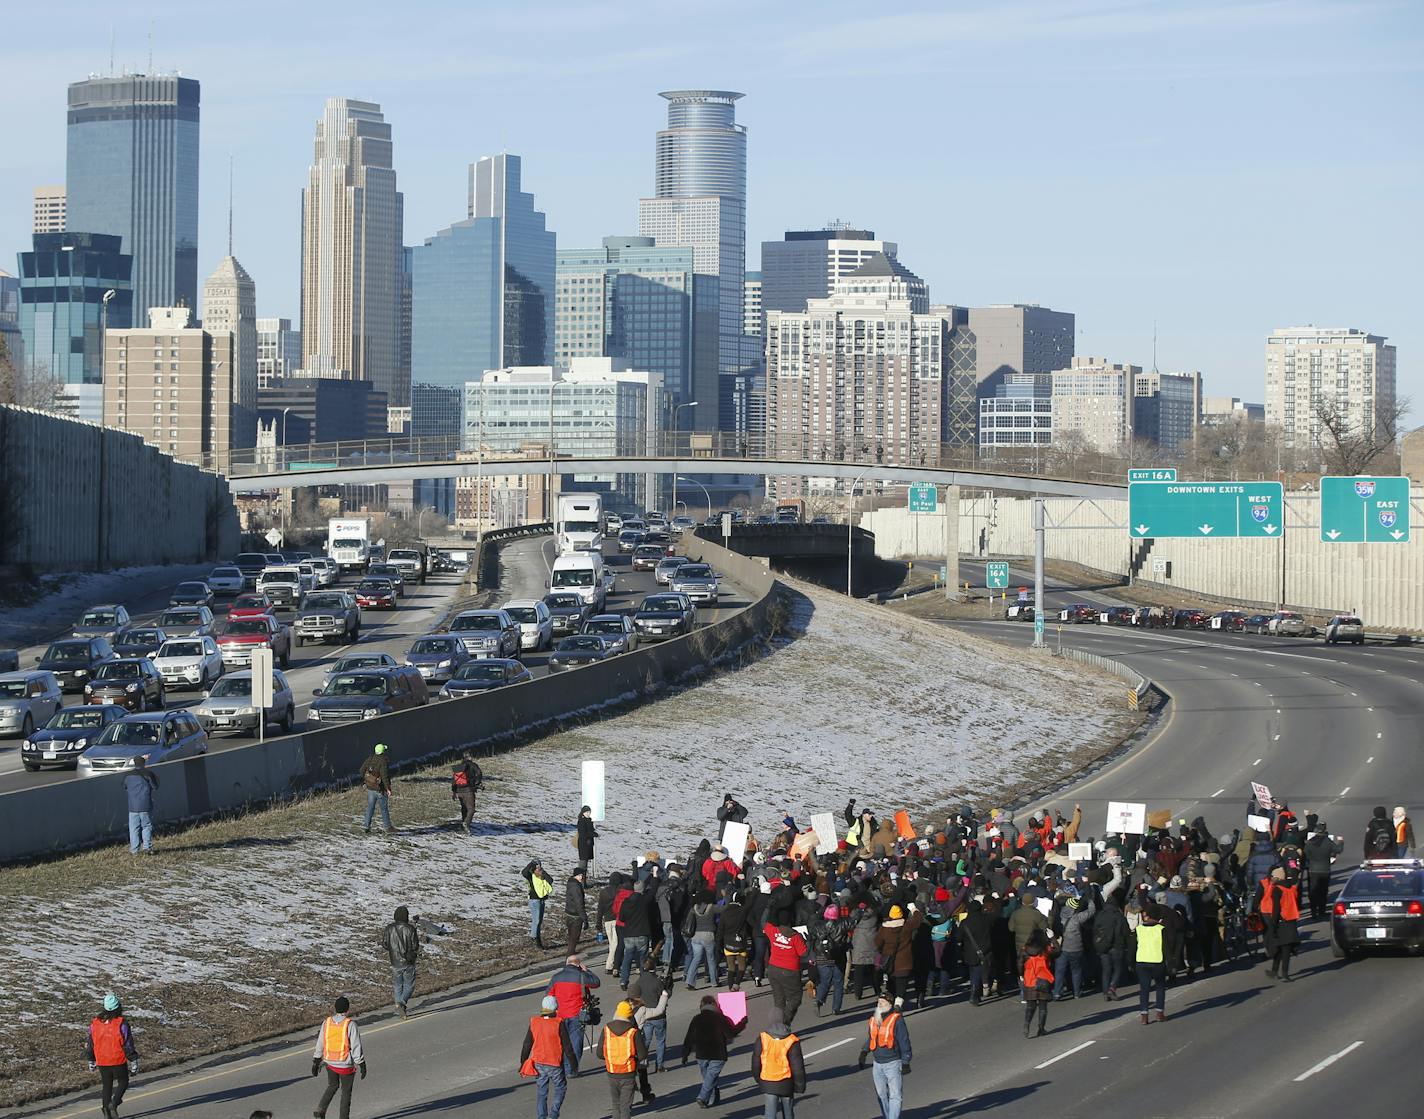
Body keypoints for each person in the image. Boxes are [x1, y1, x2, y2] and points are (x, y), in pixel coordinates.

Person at [520, 994, 575, 1119]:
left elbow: (527, 1043)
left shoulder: (534, 1022)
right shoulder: (558, 1023)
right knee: (560, 1088)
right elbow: (567, 1046)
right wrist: (574, 1064)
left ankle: (541, 1117)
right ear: (555, 1009)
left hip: (538, 1063)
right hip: (554, 1063)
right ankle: (554, 1114)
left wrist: (523, 1061)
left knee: (541, 1092)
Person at [311, 996, 366, 1119]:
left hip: (330, 1062)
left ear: (335, 1008)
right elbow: (356, 1046)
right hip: (345, 1064)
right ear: (347, 1009)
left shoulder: (327, 1022)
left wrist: (316, 1059)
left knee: (332, 1085)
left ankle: (320, 1109)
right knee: (346, 1093)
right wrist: (361, 1063)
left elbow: (321, 1042)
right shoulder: (350, 1024)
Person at [681, 994, 740, 1108]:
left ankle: (709, 1098)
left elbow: (689, 1038)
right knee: (710, 1077)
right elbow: (730, 1034)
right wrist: (742, 1023)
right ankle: (704, 1097)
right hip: (717, 1054)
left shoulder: (696, 1018)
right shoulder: (720, 1018)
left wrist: (685, 1054)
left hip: (702, 1054)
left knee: (708, 1077)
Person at [858, 996, 911, 1119]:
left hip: (893, 1063)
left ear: (890, 1004)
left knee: (895, 1095)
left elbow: (904, 1042)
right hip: (877, 1065)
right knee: (881, 1094)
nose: (880, 1004)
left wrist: (906, 1061)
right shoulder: (875, 1019)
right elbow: (872, 1038)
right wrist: (864, 1052)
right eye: (878, 1002)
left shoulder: (897, 1020)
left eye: (883, 1002)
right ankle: (888, 1116)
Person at [546, 954, 599, 1076]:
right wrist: (587, 970)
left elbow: (548, 996)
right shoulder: (581, 976)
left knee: (562, 1043)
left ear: (566, 964)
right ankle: (571, 1070)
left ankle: (560, 1068)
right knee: (575, 1043)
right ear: (578, 964)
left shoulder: (556, 977)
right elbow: (596, 982)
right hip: (577, 1015)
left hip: (560, 1015)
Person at [86, 992, 137, 1119]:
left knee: (107, 1085)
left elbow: (90, 1043)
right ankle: (114, 1104)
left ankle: (106, 1112)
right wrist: (133, 1059)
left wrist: (91, 1060)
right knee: (123, 1082)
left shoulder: (95, 1024)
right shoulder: (122, 1023)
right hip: (117, 1059)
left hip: (102, 1060)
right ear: (118, 1007)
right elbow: (128, 1043)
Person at [594, 1000, 648, 1119]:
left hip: (612, 1072)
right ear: (630, 1015)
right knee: (625, 1106)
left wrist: (612, 1057)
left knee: (616, 1104)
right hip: (628, 1073)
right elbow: (643, 1055)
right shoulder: (633, 1032)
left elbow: (599, 1054)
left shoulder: (607, 1029)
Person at [752, 1008, 806, 1119]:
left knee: (770, 1115)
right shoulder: (791, 1040)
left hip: (768, 1082)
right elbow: (797, 1068)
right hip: (786, 1083)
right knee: (788, 1114)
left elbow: (756, 1063)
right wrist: (800, 1086)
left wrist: (759, 1079)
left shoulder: (762, 1038)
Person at [1255, 866, 1300, 981]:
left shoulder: (1277, 890)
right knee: (1283, 948)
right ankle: (1275, 971)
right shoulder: (1292, 888)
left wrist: (1273, 925)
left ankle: (1284, 973)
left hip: (1281, 920)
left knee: (1283, 948)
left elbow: (1276, 909)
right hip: (1292, 919)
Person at [764, 919, 809, 1025]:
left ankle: (777, 1025)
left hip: (773, 968)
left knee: (779, 1001)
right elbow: (803, 953)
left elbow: (764, 922)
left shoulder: (773, 930)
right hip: (790, 970)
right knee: (795, 998)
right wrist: (808, 941)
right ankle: (784, 1023)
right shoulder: (795, 936)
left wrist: (770, 908)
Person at [380, 905, 420, 1018]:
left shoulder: (389, 928)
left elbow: (385, 944)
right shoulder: (410, 929)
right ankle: (402, 1003)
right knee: (409, 986)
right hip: (408, 962)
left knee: (398, 986)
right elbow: (415, 946)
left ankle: (399, 1006)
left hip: (395, 961)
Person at [635, 957, 671, 1073]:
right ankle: (659, 1065)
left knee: (645, 1041)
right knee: (660, 1040)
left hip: (646, 1015)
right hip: (659, 1015)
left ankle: (642, 1063)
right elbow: (664, 995)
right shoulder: (657, 982)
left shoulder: (639, 982)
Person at [1092, 894, 1130, 1001]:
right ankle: (1112, 988)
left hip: (1103, 946)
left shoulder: (1100, 915)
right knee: (1118, 968)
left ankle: (1105, 993)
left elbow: (1095, 930)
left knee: (1106, 969)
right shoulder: (1119, 916)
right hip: (1117, 946)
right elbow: (1125, 931)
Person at [1135, 904, 1168, 1023]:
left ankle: (1144, 1016)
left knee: (1144, 989)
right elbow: (1166, 948)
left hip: (1141, 961)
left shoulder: (1139, 929)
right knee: (1160, 987)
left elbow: (1134, 946)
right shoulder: (1161, 929)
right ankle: (1159, 1013)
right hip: (1157, 961)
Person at [1303, 821, 1343, 920]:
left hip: (1312, 870)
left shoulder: (1310, 842)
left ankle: (1313, 912)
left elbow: (1306, 854)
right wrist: (1341, 841)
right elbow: (1338, 850)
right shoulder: (1327, 841)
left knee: (1313, 891)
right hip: (1325, 869)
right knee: (1323, 891)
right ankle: (1322, 911)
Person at [121, 756, 159, 856]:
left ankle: (134, 851)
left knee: (134, 828)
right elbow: (155, 786)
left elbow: (124, 786)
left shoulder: (127, 775)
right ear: (143, 763)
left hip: (132, 807)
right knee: (146, 826)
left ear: (134, 763)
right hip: (145, 805)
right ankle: (147, 848)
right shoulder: (148, 774)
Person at [683, 890, 719, 990]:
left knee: (696, 958)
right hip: (708, 935)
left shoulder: (694, 908)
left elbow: (688, 921)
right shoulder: (712, 907)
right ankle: (714, 982)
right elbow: (724, 909)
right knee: (711, 959)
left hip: (696, 936)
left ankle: (690, 981)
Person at [1021, 931, 1054, 1038]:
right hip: (1043, 979)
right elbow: (1058, 952)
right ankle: (1041, 1028)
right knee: (1043, 1006)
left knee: (1030, 1005)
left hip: (1029, 979)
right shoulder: (1045, 950)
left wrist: (1021, 974)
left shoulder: (1025, 950)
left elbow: (1019, 964)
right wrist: (1052, 938)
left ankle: (1027, 1024)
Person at [360, 744, 393, 834]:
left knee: (370, 807)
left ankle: (366, 826)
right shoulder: (383, 761)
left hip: (370, 788)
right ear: (383, 752)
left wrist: (367, 779)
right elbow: (384, 776)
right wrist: (388, 788)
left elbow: (361, 770)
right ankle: (388, 827)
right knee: (384, 808)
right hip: (380, 789)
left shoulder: (370, 759)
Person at [523, 859, 555, 950]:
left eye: (539, 867)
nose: (538, 869)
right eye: (537, 868)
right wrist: (531, 863)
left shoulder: (543, 875)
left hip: (542, 900)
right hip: (534, 900)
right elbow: (524, 872)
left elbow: (550, 880)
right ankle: (534, 938)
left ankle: (537, 938)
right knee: (536, 920)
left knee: (539, 921)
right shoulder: (530, 876)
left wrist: (543, 873)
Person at [451, 751, 483, 833]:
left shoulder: (459, 766)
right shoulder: (473, 765)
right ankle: (466, 823)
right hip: (468, 790)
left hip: (459, 791)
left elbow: (454, 780)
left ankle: (463, 824)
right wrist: (477, 783)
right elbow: (479, 773)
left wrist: (454, 792)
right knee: (471, 809)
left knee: (464, 808)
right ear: (470, 757)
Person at [564, 868, 587, 957]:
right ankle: (569, 960)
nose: (582, 877)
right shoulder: (576, 887)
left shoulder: (570, 884)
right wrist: (584, 918)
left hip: (569, 914)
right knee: (574, 940)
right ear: (576, 875)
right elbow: (579, 903)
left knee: (571, 938)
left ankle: (570, 956)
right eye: (580, 875)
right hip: (576, 916)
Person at [576, 805, 598, 875]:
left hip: (588, 845)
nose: (588, 814)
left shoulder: (589, 821)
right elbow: (584, 833)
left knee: (585, 863)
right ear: (583, 813)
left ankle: (584, 881)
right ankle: (580, 879)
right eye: (587, 812)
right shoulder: (581, 821)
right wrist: (593, 834)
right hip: (583, 845)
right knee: (583, 863)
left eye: (589, 812)